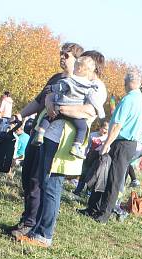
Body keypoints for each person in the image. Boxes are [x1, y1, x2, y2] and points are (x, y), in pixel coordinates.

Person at [15, 50, 105, 247]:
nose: (78, 65)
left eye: (83, 62)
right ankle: (36, 230)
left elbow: (90, 111)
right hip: (51, 137)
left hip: (65, 143)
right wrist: (50, 102)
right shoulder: (69, 80)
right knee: (45, 184)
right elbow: (47, 96)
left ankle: (44, 235)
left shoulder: (97, 87)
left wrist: (61, 109)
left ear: (93, 67)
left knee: (52, 186)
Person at [9, 42, 84, 238]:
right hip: (38, 131)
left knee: (37, 181)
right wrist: (20, 115)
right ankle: (27, 218)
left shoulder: (79, 85)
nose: (62, 57)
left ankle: (30, 224)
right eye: (61, 54)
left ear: (76, 60)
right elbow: (38, 101)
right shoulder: (56, 78)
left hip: (54, 139)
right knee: (27, 177)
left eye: (66, 55)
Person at [83, 70, 142, 223]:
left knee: (110, 177)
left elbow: (117, 125)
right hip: (131, 143)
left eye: (124, 83)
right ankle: (94, 208)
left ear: (128, 83)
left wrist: (107, 143)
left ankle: (102, 214)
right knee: (111, 176)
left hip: (120, 141)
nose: (124, 85)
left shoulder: (128, 100)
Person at [33, 57, 104, 159]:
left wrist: (52, 88)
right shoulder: (90, 86)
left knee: (48, 117)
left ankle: (40, 133)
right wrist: (100, 112)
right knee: (82, 128)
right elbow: (93, 100)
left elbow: (61, 87)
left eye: (75, 66)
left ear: (78, 69)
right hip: (74, 113)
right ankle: (76, 145)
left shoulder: (70, 80)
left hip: (61, 106)